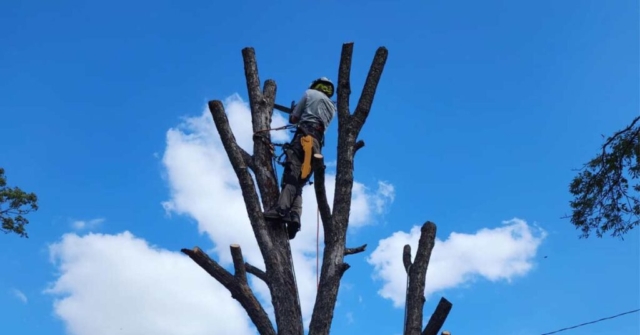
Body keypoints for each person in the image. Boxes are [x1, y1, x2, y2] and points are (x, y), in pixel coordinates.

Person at [263, 77, 336, 239]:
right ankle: (295, 216)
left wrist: (297, 110)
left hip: (303, 138)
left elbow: (293, 119)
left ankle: (281, 210)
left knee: (291, 176)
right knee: (299, 183)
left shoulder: (310, 93)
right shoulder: (332, 107)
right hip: (316, 145)